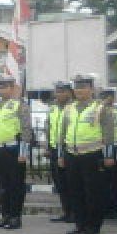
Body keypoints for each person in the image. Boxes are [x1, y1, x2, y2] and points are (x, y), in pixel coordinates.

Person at [58, 73, 115, 234]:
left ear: (91, 89)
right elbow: (62, 134)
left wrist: (109, 155)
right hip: (72, 154)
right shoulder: (69, 108)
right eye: (77, 87)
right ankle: (80, 223)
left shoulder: (99, 107)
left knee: (93, 192)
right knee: (75, 191)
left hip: (92, 154)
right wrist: (61, 155)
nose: (79, 90)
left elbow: (108, 132)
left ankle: (93, 225)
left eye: (83, 87)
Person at [0, 75, 32, 229]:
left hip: (14, 149)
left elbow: (26, 130)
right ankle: (5, 215)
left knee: (16, 185)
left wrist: (23, 152)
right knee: (2, 186)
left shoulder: (20, 105)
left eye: (4, 86)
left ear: (12, 88)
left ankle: (15, 217)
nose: (1, 90)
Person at [47, 82, 74, 223]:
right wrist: (47, 146)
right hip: (54, 148)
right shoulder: (53, 108)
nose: (59, 94)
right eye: (57, 91)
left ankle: (75, 212)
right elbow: (48, 127)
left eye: (62, 91)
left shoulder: (73, 107)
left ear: (69, 92)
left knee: (71, 182)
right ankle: (66, 211)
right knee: (59, 183)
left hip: (68, 148)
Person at [100, 88, 117, 219]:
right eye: (106, 96)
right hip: (101, 147)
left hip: (116, 147)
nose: (109, 98)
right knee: (103, 180)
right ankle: (105, 207)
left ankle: (115, 208)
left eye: (111, 96)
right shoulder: (98, 110)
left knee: (115, 181)